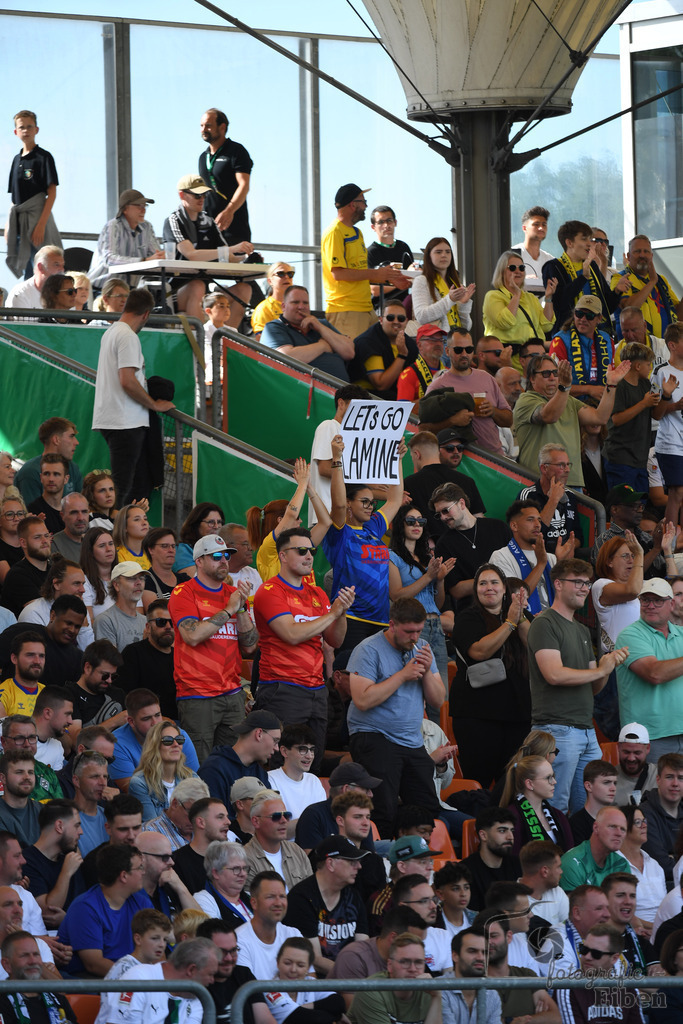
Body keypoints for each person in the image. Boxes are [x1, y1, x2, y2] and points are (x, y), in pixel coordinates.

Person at [527, 558, 628, 814]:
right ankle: (554, 854)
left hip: (585, 730)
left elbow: (593, 686)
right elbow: (554, 674)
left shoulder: (582, 630)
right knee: (555, 806)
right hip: (557, 729)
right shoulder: (544, 623)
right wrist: (599, 670)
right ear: (558, 584)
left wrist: (608, 666)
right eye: (579, 582)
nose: (585, 588)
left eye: (588, 583)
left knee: (590, 808)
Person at [254, 527, 353, 768]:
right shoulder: (270, 591)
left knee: (312, 763)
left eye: (311, 550)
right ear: (283, 556)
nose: (309, 556)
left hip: (316, 689)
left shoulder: (317, 593)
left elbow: (335, 641)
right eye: (301, 551)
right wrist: (333, 614)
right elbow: (291, 633)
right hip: (282, 687)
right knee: (278, 762)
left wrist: (341, 613)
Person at [345, 597, 444, 837]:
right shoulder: (368, 649)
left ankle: (416, 861)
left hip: (411, 740)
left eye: (419, 631)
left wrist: (427, 673)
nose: (414, 637)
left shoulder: (421, 648)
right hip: (375, 737)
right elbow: (362, 700)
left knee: (427, 810)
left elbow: (438, 700)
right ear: (392, 625)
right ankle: (383, 862)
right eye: (409, 631)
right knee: (383, 809)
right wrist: (403, 675)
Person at [169, 533, 256, 762]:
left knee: (232, 763)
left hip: (232, 692)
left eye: (227, 555)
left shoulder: (234, 595)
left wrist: (241, 608)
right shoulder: (183, 592)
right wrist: (228, 610)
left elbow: (250, 646)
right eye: (216, 556)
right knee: (199, 765)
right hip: (197, 694)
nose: (224, 561)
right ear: (199, 561)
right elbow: (192, 635)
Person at [449, 563, 531, 784]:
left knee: (513, 783)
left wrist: (521, 617)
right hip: (477, 714)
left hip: (518, 713)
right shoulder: (468, 617)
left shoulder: (520, 615)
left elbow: (535, 647)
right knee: (480, 779)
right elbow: (479, 651)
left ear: (505, 588)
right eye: (482, 583)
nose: (489, 588)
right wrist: (509, 623)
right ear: (476, 590)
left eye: (494, 582)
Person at [92, 288, 175, 506]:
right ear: (146, 314)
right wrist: (154, 405)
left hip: (116, 419)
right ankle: (111, 536)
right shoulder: (127, 336)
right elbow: (127, 380)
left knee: (124, 489)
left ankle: (115, 535)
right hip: (124, 421)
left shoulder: (111, 332)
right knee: (122, 491)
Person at [323, 435, 405, 650]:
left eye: (373, 502)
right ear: (349, 503)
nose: (371, 506)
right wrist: (337, 459)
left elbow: (395, 499)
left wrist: (396, 460)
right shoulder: (339, 532)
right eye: (365, 502)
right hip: (350, 618)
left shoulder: (373, 527)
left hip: (380, 619)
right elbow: (338, 506)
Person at [514, 354, 630, 489]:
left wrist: (612, 384)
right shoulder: (526, 400)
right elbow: (549, 416)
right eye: (546, 374)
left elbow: (600, 418)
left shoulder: (568, 400)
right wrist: (564, 387)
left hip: (572, 482)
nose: (552, 378)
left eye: (555, 373)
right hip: (539, 483)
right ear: (532, 379)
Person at [320, 183, 409, 337]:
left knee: (379, 354)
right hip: (346, 310)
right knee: (353, 359)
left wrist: (390, 278)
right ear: (353, 205)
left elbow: (359, 270)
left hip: (365, 308)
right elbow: (338, 274)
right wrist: (375, 274)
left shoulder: (357, 232)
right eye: (363, 201)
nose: (366, 205)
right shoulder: (334, 232)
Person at [162, 173, 253, 322]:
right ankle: (203, 342)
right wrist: (231, 249)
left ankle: (228, 341)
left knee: (244, 289)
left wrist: (245, 257)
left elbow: (228, 258)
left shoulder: (208, 221)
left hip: (206, 288)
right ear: (182, 195)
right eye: (197, 195)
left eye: (204, 194)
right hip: (176, 289)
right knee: (197, 286)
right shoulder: (174, 220)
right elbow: (191, 254)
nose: (202, 199)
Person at [616, 579, 683, 761]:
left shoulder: (681, 633)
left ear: (671, 604)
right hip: (649, 737)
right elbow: (655, 673)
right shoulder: (629, 634)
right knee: (652, 789)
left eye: (657, 600)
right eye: (645, 600)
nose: (650, 605)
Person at [388, 503, 453, 686]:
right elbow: (396, 596)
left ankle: (435, 717)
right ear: (400, 524)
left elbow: (437, 604)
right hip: (414, 626)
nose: (416, 525)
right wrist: (428, 577)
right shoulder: (391, 556)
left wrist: (439, 579)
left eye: (420, 521)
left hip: (436, 625)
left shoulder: (427, 558)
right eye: (410, 521)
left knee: (441, 687)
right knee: (415, 684)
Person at [284, 836, 369, 974]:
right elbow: (314, 959)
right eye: (352, 861)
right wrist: (352, 975)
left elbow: (363, 948)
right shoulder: (301, 898)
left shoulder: (354, 897)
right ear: (331, 863)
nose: (359, 866)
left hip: (351, 978)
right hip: (318, 983)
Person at [422, 328, 511, 455]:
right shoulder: (437, 386)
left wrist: (493, 411)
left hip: (495, 458)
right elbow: (423, 430)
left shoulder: (486, 378)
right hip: (462, 462)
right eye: (458, 350)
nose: (464, 354)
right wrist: (452, 421)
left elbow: (508, 420)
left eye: (468, 349)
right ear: (447, 351)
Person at [101, 936, 219, 1024]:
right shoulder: (138, 978)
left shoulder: (194, 997)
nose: (212, 981)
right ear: (191, 970)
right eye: (210, 974)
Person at [432, 485, 511, 608]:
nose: (442, 517)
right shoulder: (444, 544)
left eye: (446, 510)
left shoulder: (498, 527)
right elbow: (456, 590)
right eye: (439, 514)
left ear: (461, 503)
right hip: (473, 610)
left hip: (508, 603)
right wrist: (495, 580)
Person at [491, 499, 574, 613]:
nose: (537, 525)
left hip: (551, 624)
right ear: (514, 526)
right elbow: (516, 598)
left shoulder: (550, 557)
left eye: (539, 520)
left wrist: (560, 561)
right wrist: (541, 564)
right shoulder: (501, 556)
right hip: (522, 625)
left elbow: (566, 595)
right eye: (530, 520)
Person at [542, 219, 628, 328]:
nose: (589, 244)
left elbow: (606, 308)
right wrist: (583, 278)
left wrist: (617, 291)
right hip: (568, 335)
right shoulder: (553, 267)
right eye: (584, 239)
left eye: (589, 239)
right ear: (569, 243)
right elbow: (559, 304)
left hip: (598, 334)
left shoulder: (592, 266)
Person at [108, 688, 199, 791]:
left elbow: (194, 782)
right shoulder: (116, 744)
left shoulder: (178, 736)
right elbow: (134, 791)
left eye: (157, 715)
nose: (155, 723)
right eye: (146, 719)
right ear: (131, 721)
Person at [6, 110, 60, 280]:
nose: (26, 130)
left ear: (36, 129)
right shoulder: (16, 160)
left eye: (29, 127)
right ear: (16, 132)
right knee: (28, 271)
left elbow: (51, 192)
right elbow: (14, 198)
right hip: (20, 223)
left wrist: (41, 225)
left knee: (43, 267)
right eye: (22, 127)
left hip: (37, 218)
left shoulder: (43, 157)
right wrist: (9, 225)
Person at [94, 907, 172, 1023]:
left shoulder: (152, 969)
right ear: (138, 939)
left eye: (165, 939)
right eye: (155, 938)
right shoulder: (125, 968)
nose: (162, 945)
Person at [555, 922, 644, 1024]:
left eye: (596, 954)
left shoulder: (629, 990)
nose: (587, 957)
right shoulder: (567, 989)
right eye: (584, 950)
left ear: (614, 958)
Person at [261, 286, 354, 382]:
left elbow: (349, 352)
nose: (301, 307)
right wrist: (323, 345)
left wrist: (320, 327)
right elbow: (286, 359)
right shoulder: (273, 327)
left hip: (342, 391)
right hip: (303, 391)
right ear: (283, 306)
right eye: (295, 302)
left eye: (305, 303)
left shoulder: (322, 324)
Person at [403, 431, 485, 540]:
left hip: (430, 551)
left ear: (417, 455)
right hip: (466, 545)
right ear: (438, 452)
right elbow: (479, 520)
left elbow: (405, 524)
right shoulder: (467, 481)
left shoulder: (409, 483)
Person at [197, 711, 280, 814]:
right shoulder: (213, 770)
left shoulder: (260, 773)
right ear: (259, 734)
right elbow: (212, 819)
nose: (277, 748)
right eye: (275, 741)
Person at [348, 932, 440, 1024]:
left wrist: (436, 996)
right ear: (390, 965)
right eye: (404, 962)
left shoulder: (429, 991)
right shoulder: (371, 990)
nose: (413, 969)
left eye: (418, 962)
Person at [307, 384, 366, 526]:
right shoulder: (329, 426)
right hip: (326, 515)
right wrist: (365, 481)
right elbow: (325, 469)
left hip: (345, 516)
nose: (361, 412)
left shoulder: (356, 436)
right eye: (357, 406)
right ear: (341, 403)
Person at [196, 918, 273, 1024]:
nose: (229, 958)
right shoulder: (193, 983)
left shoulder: (244, 974)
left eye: (233, 951)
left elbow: (264, 1019)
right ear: (202, 950)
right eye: (221, 952)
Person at [603, 342, 658, 492]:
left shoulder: (646, 384)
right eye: (648, 364)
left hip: (640, 459)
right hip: (620, 459)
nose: (650, 368)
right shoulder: (618, 385)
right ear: (638, 366)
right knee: (623, 506)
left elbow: (656, 415)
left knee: (639, 506)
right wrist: (643, 403)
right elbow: (616, 419)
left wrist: (666, 397)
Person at [294, 761, 380, 854]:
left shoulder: (363, 820)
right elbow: (314, 862)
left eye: (366, 817)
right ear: (346, 789)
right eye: (365, 789)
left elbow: (369, 858)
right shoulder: (313, 815)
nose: (371, 794)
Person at [88, 188, 164, 290]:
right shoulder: (113, 226)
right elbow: (109, 259)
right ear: (125, 209)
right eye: (139, 206)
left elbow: (155, 254)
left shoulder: (147, 227)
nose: (143, 210)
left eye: (145, 206)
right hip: (101, 289)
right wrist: (143, 261)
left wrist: (160, 256)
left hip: (130, 290)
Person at [482, 249, 556, 352]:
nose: (518, 271)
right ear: (502, 272)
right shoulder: (493, 296)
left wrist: (548, 297)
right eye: (512, 268)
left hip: (534, 356)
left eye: (521, 268)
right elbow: (505, 322)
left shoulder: (530, 298)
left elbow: (546, 326)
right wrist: (516, 295)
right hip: (510, 358)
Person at [516, 443, 584, 555]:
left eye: (568, 464)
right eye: (561, 465)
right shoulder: (528, 495)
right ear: (544, 468)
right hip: (536, 558)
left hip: (564, 560)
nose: (567, 470)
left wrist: (568, 547)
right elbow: (530, 536)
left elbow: (578, 535)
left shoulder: (570, 496)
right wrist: (553, 500)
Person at [198, 107, 252, 244]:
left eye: (208, 126)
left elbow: (244, 185)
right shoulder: (203, 157)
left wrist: (229, 211)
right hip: (208, 230)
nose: (203, 129)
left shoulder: (236, 151)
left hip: (234, 229)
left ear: (222, 127)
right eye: (202, 126)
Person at [236, 870, 304, 979]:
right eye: (270, 897)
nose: (278, 903)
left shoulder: (293, 934)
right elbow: (249, 992)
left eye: (282, 896)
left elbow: (310, 978)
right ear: (254, 903)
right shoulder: (239, 940)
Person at [115, 600, 177, 720]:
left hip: (179, 723)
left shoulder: (179, 656)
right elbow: (125, 697)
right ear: (148, 627)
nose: (168, 627)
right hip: (145, 724)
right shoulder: (133, 653)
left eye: (172, 622)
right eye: (161, 622)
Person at [614, 234, 683, 339]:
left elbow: (678, 315)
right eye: (637, 251)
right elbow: (628, 309)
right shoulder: (620, 278)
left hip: (665, 347)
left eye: (646, 251)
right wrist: (652, 282)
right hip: (635, 348)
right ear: (628, 256)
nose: (642, 255)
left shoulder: (661, 280)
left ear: (651, 256)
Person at [549, 294, 616, 400]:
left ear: (599, 318)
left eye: (589, 316)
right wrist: (588, 389)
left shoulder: (607, 340)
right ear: (574, 314)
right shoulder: (560, 341)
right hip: (569, 404)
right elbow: (552, 384)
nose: (583, 319)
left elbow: (612, 376)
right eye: (579, 314)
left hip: (602, 403)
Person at [128, 721, 198, 822]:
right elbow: (154, 828)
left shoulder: (191, 777)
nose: (175, 744)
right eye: (168, 740)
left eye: (179, 740)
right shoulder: (139, 783)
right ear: (154, 746)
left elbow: (204, 817)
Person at [501, 755, 573, 854]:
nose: (554, 782)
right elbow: (513, 859)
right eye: (548, 778)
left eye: (553, 776)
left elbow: (570, 854)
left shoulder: (558, 815)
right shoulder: (512, 817)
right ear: (530, 784)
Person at [243, 791, 312, 891]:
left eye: (287, 815)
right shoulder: (245, 859)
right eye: (276, 816)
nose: (284, 820)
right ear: (256, 821)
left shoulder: (297, 851)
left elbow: (311, 893)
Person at [459, 807, 521, 912]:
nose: (510, 837)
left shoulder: (517, 864)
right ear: (483, 835)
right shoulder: (465, 870)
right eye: (502, 831)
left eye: (512, 831)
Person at [353, 300, 419, 398]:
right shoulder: (369, 341)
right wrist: (402, 355)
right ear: (380, 320)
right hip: (365, 395)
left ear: (406, 321)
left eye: (401, 318)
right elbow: (381, 385)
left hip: (393, 393)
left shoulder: (411, 345)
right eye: (390, 318)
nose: (396, 322)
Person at [439, 926, 502, 1024]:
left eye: (485, 952)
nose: (480, 958)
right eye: (472, 951)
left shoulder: (492, 995)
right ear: (455, 956)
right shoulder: (439, 990)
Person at [267, 725, 327, 828]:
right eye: (302, 749)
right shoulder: (271, 780)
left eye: (312, 750)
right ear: (284, 751)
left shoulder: (314, 781)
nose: (309, 756)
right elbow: (275, 827)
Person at [412, 235, 474, 332]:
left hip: (456, 342)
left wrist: (463, 304)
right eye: (438, 252)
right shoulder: (421, 281)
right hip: (437, 342)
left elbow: (466, 327)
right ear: (429, 256)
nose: (444, 255)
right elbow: (421, 316)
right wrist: (449, 300)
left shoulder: (455, 283)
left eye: (448, 252)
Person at [618, 803, 667, 925]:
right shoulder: (615, 864)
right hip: (635, 930)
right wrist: (654, 928)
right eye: (638, 822)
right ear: (623, 828)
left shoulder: (654, 865)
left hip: (663, 929)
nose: (644, 826)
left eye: (644, 821)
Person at [560, 807, 630, 890]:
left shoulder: (621, 864)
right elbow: (575, 903)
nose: (619, 833)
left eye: (623, 829)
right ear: (596, 828)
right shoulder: (572, 862)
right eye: (612, 826)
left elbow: (625, 901)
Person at [172, 799, 233, 894]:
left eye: (227, 817)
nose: (228, 822)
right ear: (201, 822)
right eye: (220, 817)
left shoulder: (230, 858)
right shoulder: (177, 862)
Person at [640, 754, 683, 883]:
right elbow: (661, 865)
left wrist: (672, 858)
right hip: (659, 888)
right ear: (658, 779)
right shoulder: (644, 813)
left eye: (681, 778)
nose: (675, 783)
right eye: (669, 777)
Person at [0, 517, 51, 618]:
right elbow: (41, 615)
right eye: (37, 537)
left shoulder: (55, 571)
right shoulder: (17, 575)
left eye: (46, 535)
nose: (45, 541)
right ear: (23, 543)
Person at [366, 203, 415, 309]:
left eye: (389, 220)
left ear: (395, 222)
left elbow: (413, 277)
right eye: (381, 222)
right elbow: (374, 289)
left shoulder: (403, 247)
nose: (386, 225)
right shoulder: (370, 253)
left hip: (405, 308)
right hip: (381, 310)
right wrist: (400, 282)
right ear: (373, 227)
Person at [142, 777, 209, 851]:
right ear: (175, 804)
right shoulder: (150, 832)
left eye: (201, 815)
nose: (196, 821)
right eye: (191, 812)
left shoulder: (205, 831)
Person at [94, 562, 146, 651]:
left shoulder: (146, 621)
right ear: (116, 585)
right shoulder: (105, 620)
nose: (139, 583)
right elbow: (110, 662)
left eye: (141, 578)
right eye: (132, 578)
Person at [518, 839, 569, 927]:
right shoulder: (513, 902)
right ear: (545, 871)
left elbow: (569, 931)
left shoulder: (557, 892)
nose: (561, 872)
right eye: (558, 867)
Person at [569, 760, 619, 845]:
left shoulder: (619, 819)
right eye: (606, 782)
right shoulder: (576, 824)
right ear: (589, 786)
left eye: (615, 783)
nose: (613, 788)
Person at [396, 325, 449, 406]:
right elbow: (403, 410)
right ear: (420, 345)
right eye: (432, 340)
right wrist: (435, 399)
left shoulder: (448, 372)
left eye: (441, 340)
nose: (438, 343)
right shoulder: (409, 375)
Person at [0, 632, 46, 718]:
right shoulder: (4, 694)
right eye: (30, 655)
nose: (37, 661)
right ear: (14, 659)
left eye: (41, 656)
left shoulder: (48, 694)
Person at [72, 749, 109, 855]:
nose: (102, 783)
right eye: (95, 777)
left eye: (105, 777)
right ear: (76, 781)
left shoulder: (110, 816)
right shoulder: (65, 819)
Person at [0, 751, 41, 846]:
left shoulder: (43, 811)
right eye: (19, 772)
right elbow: (11, 857)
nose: (27, 777)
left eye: (30, 772)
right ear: (3, 778)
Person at [6, 245, 64, 311]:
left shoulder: (66, 293)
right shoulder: (21, 293)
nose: (62, 269)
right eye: (56, 265)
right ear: (41, 267)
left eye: (63, 265)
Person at [174, 502, 226, 575]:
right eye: (211, 522)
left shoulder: (223, 549)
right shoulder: (184, 551)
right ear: (196, 524)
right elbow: (196, 580)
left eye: (219, 522)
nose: (216, 526)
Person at [512, 205, 554, 294]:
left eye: (544, 224)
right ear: (524, 228)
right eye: (536, 224)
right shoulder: (512, 254)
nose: (541, 228)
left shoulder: (550, 260)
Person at [80, 526, 117, 628]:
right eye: (102, 546)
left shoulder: (126, 577)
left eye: (111, 544)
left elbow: (137, 617)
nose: (108, 549)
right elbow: (88, 623)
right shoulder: (83, 582)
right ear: (90, 552)